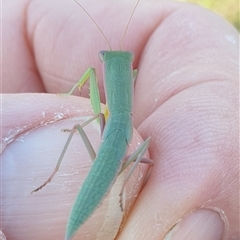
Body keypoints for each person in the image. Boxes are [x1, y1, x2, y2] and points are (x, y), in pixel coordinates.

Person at [2, 0, 239, 239]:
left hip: (113, 143)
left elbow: (97, 111)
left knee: (82, 125)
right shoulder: (129, 102)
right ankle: (108, 190)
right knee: (144, 151)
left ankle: (57, 176)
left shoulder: (105, 111)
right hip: (122, 145)